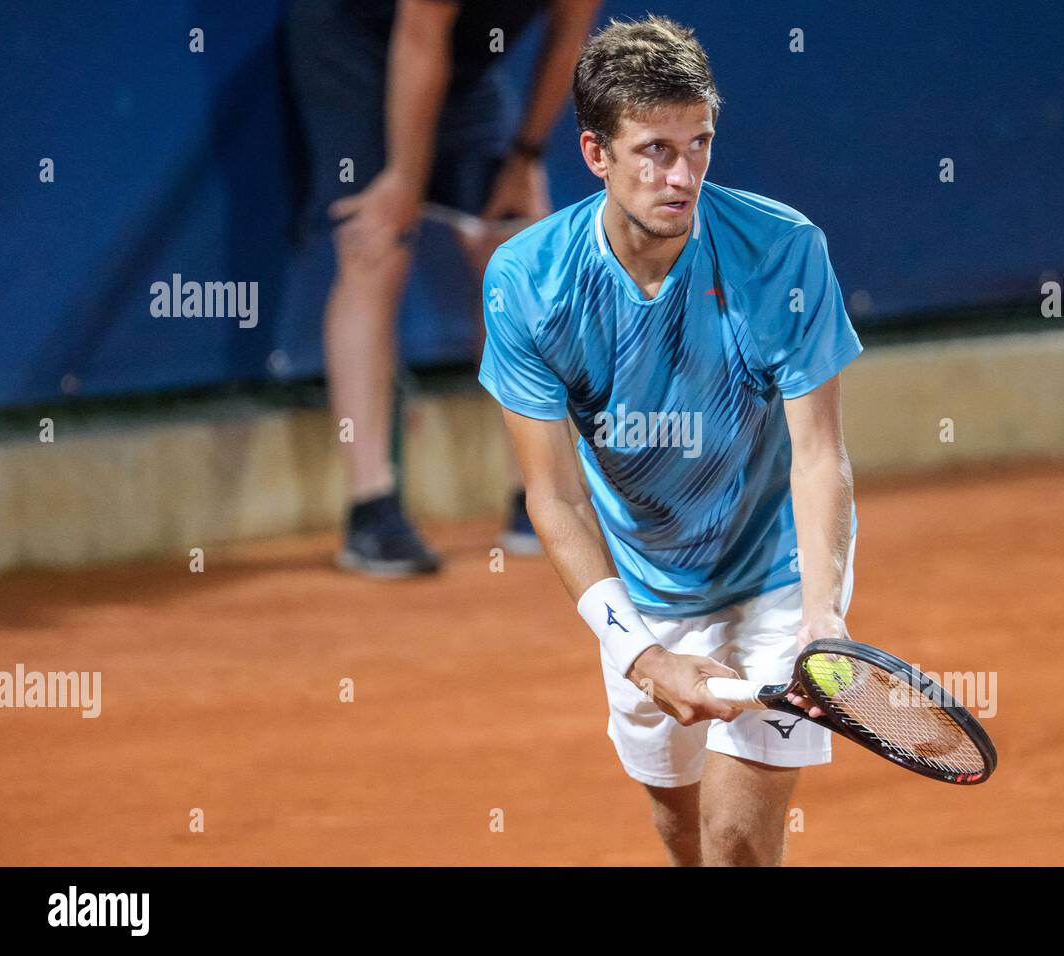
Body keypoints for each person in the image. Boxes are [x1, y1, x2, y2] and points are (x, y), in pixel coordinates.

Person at [479, 16, 863, 865]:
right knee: (680, 834)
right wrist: (643, 655)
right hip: (645, 586)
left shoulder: (784, 252)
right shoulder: (529, 281)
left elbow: (819, 455)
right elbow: (554, 495)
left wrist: (821, 614)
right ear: (595, 154)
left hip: (775, 572)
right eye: (653, 149)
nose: (682, 174)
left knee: (735, 845)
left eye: (699, 144)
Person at [285, 0, 601, 576]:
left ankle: (542, 497)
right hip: (357, 44)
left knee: (519, 249)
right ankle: (371, 508)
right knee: (376, 244)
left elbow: (567, 39)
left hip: (464, 62)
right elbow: (418, 31)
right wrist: (404, 179)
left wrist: (526, 157)